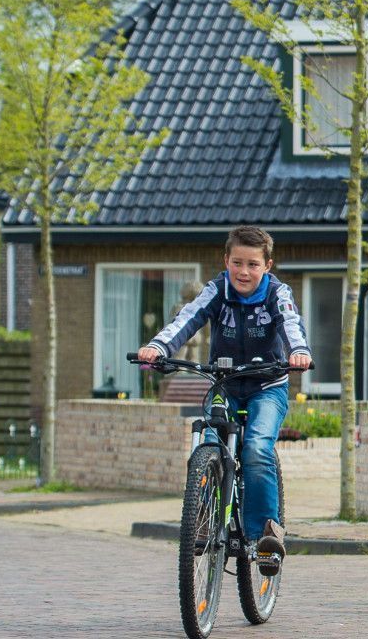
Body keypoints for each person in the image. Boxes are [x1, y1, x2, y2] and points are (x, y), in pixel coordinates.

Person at [137, 226, 312, 576]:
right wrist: (158, 347)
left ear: (267, 265)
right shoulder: (217, 289)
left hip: (267, 386)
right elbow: (187, 318)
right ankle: (203, 519)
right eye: (237, 263)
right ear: (226, 261)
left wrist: (299, 352)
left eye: (252, 264)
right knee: (208, 442)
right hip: (225, 384)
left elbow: (291, 323)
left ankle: (266, 533)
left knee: (258, 447)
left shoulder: (278, 293)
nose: (244, 272)